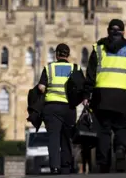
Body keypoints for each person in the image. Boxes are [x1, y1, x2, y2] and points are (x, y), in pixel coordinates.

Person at [85, 19, 126, 173]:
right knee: (121, 128)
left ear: (108, 31)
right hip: (124, 97)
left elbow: (90, 75)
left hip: (101, 97)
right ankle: (120, 149)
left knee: (103, 130)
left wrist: (86, 95)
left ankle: (104, 163)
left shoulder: (99, 49)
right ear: (123, 32)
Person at [38, 43, 85, 175]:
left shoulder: (49, 68)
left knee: (53, 137)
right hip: (69, 107)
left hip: (52, 107)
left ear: (56, 54)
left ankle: (54, 167)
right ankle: (66, 167)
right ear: (68, 55)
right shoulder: (75, 68)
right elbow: (83, 87)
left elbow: (41, 87)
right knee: (66, 137)